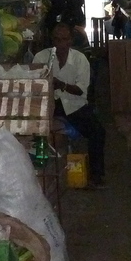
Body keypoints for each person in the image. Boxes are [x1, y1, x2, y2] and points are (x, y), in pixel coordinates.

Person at [33, 22, 106, 188]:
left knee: (98, 132)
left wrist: (61, 85)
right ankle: (40, 174)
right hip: (49, 103)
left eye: (64, 40)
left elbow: (81, 90)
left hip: (74, 104)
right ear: (52, 40)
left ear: (71, 41)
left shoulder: (80, 60)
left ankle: (96, 176)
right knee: (34, 128)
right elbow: (35, 84)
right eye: (57, 40)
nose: (60, 44)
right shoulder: (41, 57)